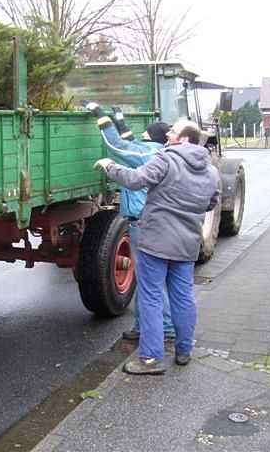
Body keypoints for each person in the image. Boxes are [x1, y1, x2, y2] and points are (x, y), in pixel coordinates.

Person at [93, 120, 220, 375]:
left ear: (184, 139)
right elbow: (210, 203)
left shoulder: (166, 159)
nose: (168, 135)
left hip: (157, 241)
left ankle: (150, 359)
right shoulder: (210, 171)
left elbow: (136, 180)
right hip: (186, 244)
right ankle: (184, 350)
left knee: (151, 297)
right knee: (183, 297)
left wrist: (110, 167)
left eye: (173, 132)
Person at [83, 101, 175, 342]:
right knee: (149, 280)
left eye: (145, 133)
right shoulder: (154, 150)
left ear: (152, 137)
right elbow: (132, 143)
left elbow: (118, 146)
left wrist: (99, 114)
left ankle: (164, 328)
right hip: (150, 224)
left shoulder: (148, 153)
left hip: (142, 225)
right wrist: (120, 120)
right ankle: (142, 326)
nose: (141, 135)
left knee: (149, 281)